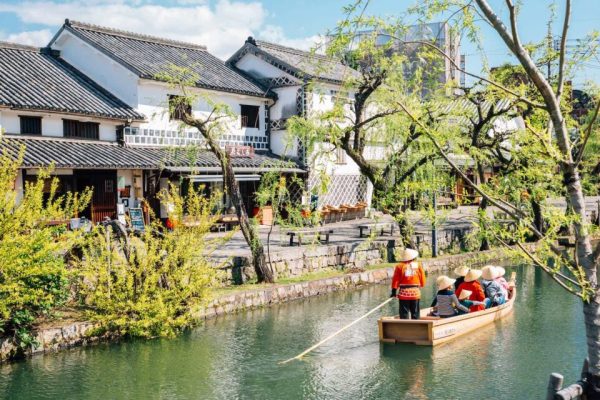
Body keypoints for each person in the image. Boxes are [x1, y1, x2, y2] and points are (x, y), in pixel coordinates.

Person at [390, 248, 426, 319]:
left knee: (404, 313)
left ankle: (405, 327)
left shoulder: (399, 266)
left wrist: (393, 292)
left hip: (404, 293)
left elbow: (395, 280)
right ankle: (416, 327)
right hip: (415, 293)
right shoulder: (418, 265)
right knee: (415, 313)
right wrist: (421, 284)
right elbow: (422, 279)